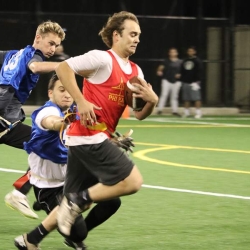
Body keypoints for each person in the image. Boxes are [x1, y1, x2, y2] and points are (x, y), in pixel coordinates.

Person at [55, 11, 159, 237]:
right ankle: (66, 200)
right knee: (129, 183)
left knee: (75, 227)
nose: (137, 39)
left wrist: (152, 102)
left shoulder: (136, 71)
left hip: (98, 139)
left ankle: (31, 238)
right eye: (132, 34)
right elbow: (63, 68)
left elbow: (139, 114)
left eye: (138, 35)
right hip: (87, 136)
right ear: (116, 35)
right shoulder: (101, 58)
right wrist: (81, 101)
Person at [14, 74, 122, 250]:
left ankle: (70, 229)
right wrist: (63, 122)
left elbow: (89, 138)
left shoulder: (76, 113)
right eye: (61, 90)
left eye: (69, 90)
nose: (66, 94)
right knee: (78, 232)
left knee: (112, 200)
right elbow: (52, 122)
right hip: (49, 187)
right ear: (50, 93)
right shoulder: (47, 111)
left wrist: (112, 142)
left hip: (72, 180)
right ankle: (33, 237)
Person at [1, 20, 66, 219]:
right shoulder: (33, 55)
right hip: (4, 122)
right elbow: (36, 67)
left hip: (7, 122)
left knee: (43, 145)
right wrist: (66, 66)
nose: (53, 48)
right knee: (46, 143)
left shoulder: (12, 55)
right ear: (38, 38)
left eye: (56, 45)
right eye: (50, 43)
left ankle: (30, 193)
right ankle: (22, 193)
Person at [156, 47, 182, 116]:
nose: (173, 53)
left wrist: (180, 75)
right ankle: (160, 110)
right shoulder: (166, 61)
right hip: (166, 80)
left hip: (176, 81)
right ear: (169, 53)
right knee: (164, 95)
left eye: (174, 52)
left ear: (177, 53)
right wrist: (159, 71)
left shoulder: (180, 62)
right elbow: (160, 68)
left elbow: (183, 71)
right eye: (171, 52)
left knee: (174, 96)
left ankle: (175, 111)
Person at [179, 46, 203, 118]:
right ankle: (186, 113)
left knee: (196, 98)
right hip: (185, 82)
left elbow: (200, 71)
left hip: (194, 82)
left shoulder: (197, 61)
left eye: (191, 51)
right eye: (189, 51)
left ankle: (198, 112)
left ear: (194, 52)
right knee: (186, 98)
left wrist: (197, 81)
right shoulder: (185, 60)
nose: (190, 52)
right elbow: (182, 71)